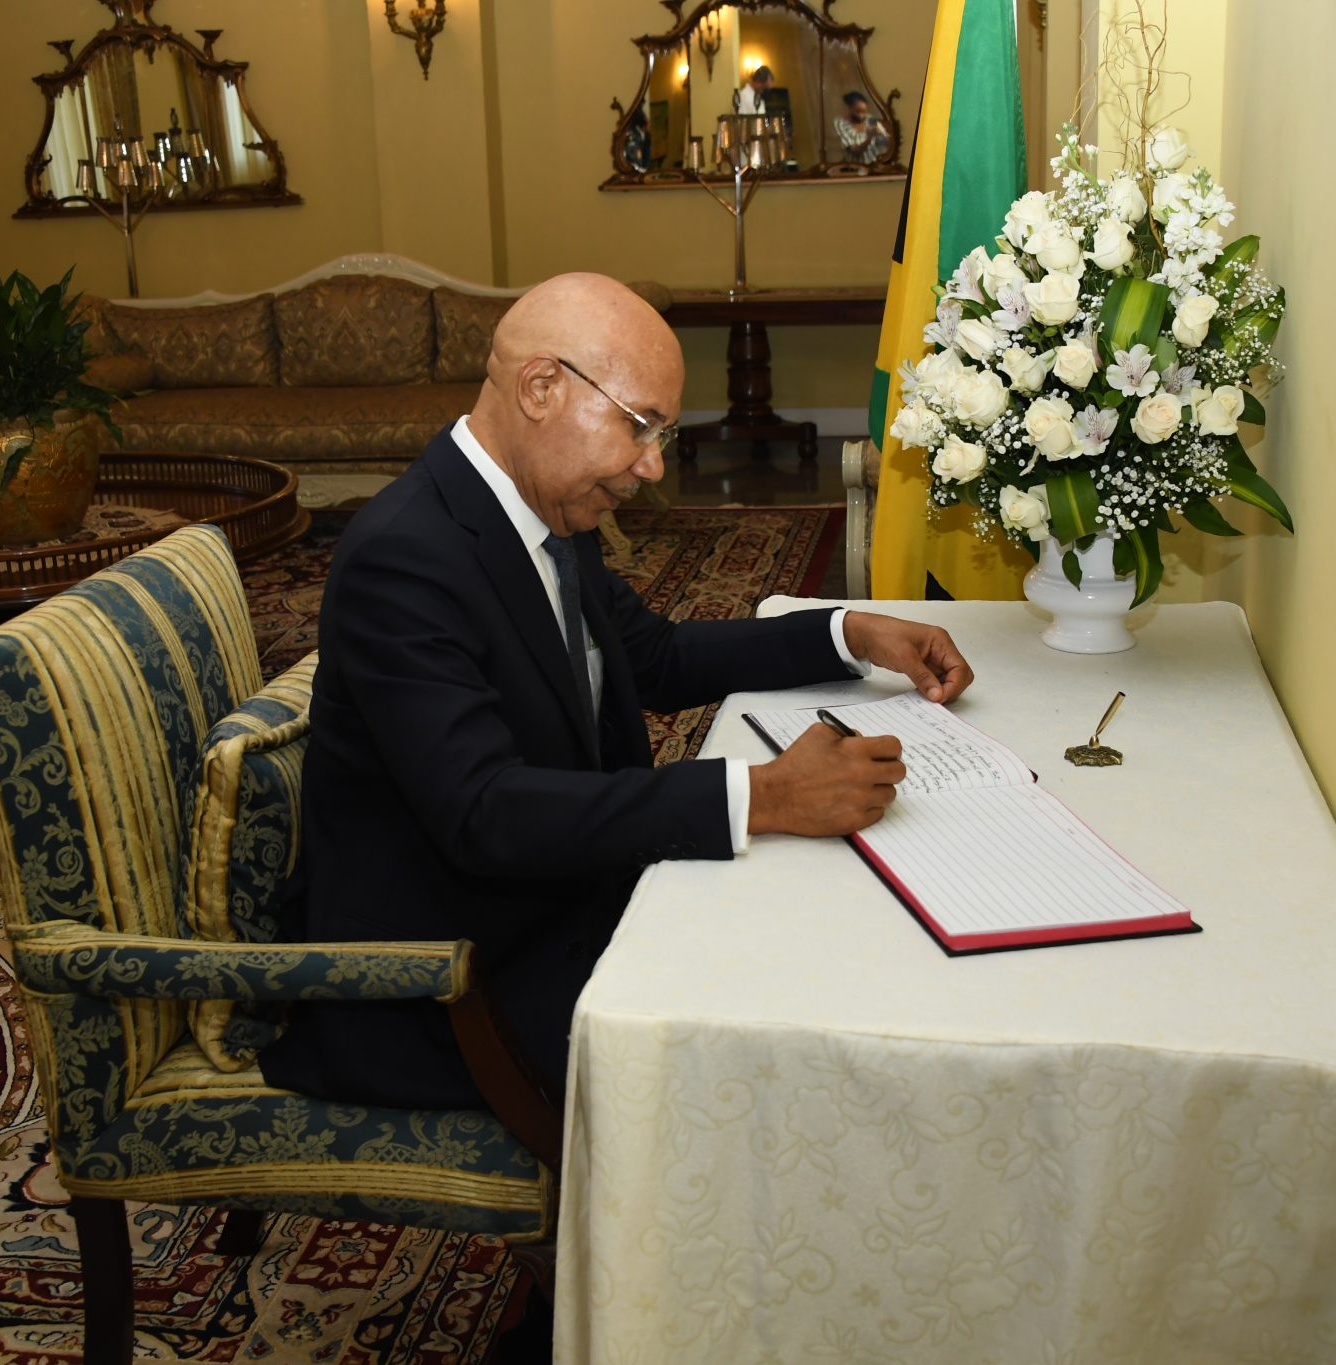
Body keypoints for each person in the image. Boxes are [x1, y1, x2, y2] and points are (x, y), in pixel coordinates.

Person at [260, 274, 973, 1111]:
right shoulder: (405, 558)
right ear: (540, 388)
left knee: (831, 939)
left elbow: (657, 657)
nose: (653, 464)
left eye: (662, 432)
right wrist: (765, 796)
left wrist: (847, 633)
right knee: (792, 1045)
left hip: (549, 909)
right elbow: (485, 812)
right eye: (639, 427)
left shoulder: (544, 508)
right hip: (453, 987)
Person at [834, 90, 890, 163]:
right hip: (854, 167)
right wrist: (869, 138)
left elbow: (886, 142)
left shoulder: (870, 119)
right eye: (858, 111)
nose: (862, 116)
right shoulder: (840, 124)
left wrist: (882, 134)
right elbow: (854, 151)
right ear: (849, 108)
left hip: (874, 165)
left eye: (864, 111)